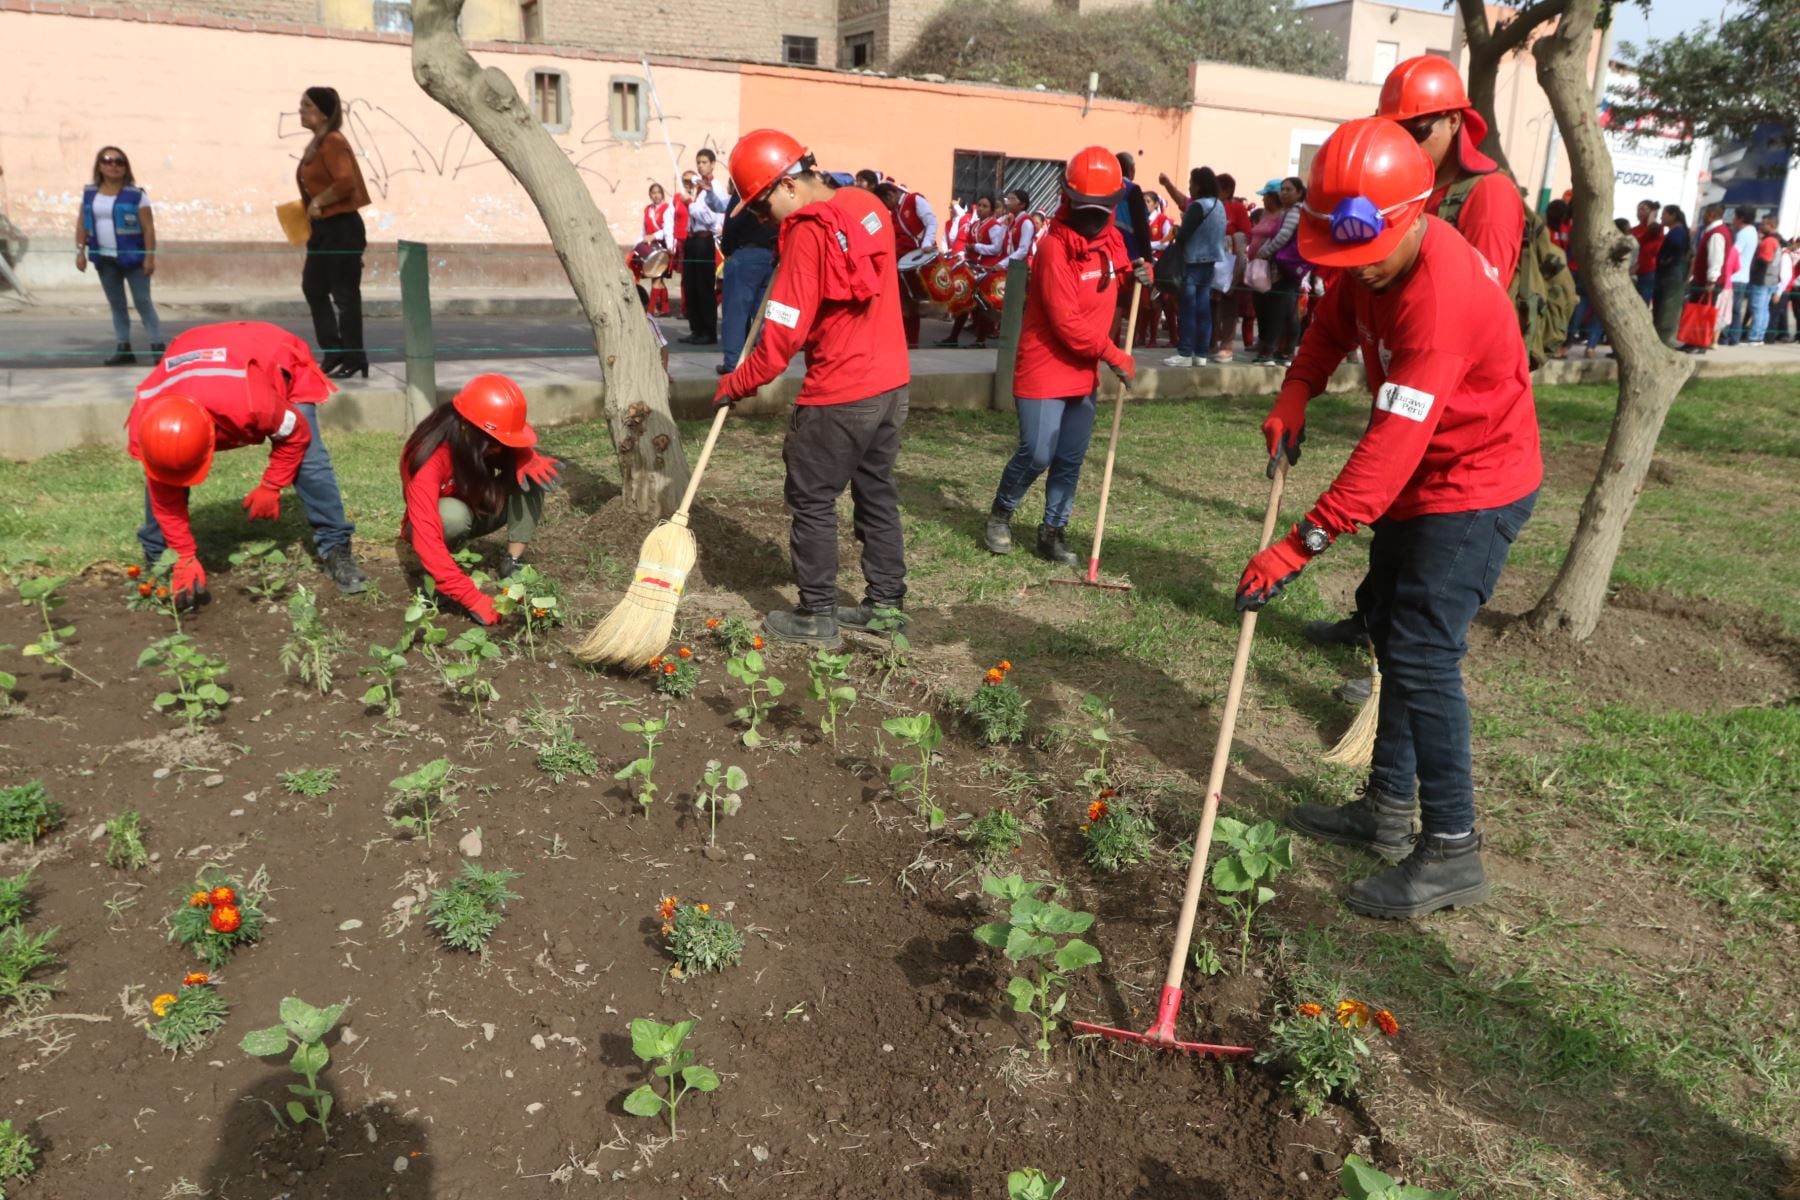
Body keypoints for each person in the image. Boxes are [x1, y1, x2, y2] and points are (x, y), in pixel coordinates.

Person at [1240, 117, 1541, 920]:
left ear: (1414, 216)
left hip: (1474, 484)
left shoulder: (1439, 301)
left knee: (1423, 653)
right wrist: (1296, 390)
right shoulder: (1370, 265)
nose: (1357, 268)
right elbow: (1332, 325)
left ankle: (1451, 852)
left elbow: (1386, 453)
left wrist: (1297, 547)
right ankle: (1385, 810)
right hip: (1422, 479)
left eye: (1369, 253)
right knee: (1388, 628)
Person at [715, 130, 910, 648]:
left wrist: (737, 382)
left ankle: (817, 614)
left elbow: (782, 335)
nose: (764, 220)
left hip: (840, 393)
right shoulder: (868, 204)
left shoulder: (807, 231)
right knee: (876, 490)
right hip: (891, 386)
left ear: (788, 185)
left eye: (762, 207)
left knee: (813, 498)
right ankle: (886, 605)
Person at [127, 321, 371, 602]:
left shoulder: (253, 404)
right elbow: (163, 490)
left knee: (310, 462)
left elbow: (296, 435)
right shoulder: (146, 420)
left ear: (212, 436)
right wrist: (183, 555)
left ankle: (336, 548)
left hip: (272, 352)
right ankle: (160, 557)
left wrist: (271, 485)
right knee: (164, 472)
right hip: (195, 349)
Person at [984, 147, 1145, 566]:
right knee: (1038, 452)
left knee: (1069, 457)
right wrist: (1113, 354)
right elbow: (1066, 323)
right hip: (1044, 366)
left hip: (1082, 370)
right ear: (1067, 198)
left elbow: (1117, 276)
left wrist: (1140, 275)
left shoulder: (1111, 240)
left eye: (1101, 210)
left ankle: (1052, 532)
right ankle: (1001, 513)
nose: (1092, 219)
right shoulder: (1054, 249)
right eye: (1084, 208)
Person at [400, 375, 560, 624]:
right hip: (433, 524)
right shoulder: (427, 458)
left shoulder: (479, 437)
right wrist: (472, 598)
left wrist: (524, 457)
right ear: (466, 427)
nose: (498, 448)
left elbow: (510, 444)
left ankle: (512, 562)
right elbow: (426, 536)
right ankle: (438, 575)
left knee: (531, 475)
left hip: (477, 502)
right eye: (494, 442)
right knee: (452, 515)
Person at [1376, 56, 1524, 288]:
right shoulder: (1403, 187)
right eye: (1395, 132)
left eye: (1418, 131)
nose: (1406, 144)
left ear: (1453, 121)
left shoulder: (1490, 193)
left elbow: (1484, 296)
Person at [295, 87, 372, 379]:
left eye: (307, 105)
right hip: (322, 229)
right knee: (313, 287)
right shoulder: (318, 143)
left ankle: (354, 357)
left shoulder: (333, 141)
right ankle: (333, 351)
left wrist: (319, 201)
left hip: (342, 227)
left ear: (324, 113)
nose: (301, 110)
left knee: (344, 295)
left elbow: (345, 182)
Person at [75, 146, 164, 367]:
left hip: (133, 257)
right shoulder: (90, 193)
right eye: (107, 160)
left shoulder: (137, 195)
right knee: (117, 305)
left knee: (143, 302)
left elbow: (148, 228)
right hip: (104, 258)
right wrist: (80, 251)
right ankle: (124, 348)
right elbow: (82, 223)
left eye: (119, 161)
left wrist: (149, 257)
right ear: (99, 166)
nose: (113, 165)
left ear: (126, 167)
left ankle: (158, 348)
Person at [1163, 167, 1227, 368]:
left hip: (1193, 262)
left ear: (1198, 186)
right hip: (1210, 262)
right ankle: (1200, 354)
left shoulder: (1198, 206)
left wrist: (1177, 231)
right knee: (1203, 309)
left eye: (1191, 183)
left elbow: (1184, 234)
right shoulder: (1219, 205)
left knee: (1188, 309)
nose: (1189, 187)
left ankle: (1184, 352)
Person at [718, 187, 778, 373]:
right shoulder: (774, 190)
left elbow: (731, 223)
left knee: (736, 313)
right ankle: (764, 364)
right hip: (771, 254)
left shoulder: (744, 191)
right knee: (764, 315)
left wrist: (728, 251)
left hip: (746, 253)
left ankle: (733, 364)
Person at [1252, 176, 1309, 365]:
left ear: (1299, 193)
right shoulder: (1289, 211)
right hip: (1286, 267)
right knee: (1288, 311)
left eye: (1288, 189)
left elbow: (1283, 236)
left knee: (1279, 310)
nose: (1283, 193)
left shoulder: (1295, 211)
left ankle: (1269, 352)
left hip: (1287, 266)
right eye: (1282, 189)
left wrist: (1264, 252)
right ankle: (1286, 352)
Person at [875, 181, 938, 348]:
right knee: (902, 303)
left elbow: (931, 222)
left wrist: (926, 243)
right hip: (901, 263)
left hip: (916, 260)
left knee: (912, 303)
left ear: (890, 195)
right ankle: (903, 339)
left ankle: (911, 341)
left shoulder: (914, 200)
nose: (886, 208)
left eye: (885, 203)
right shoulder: (894, 212)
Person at [938, 194, 1002, 347]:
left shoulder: (994, 226)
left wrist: (976, 247)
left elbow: (997, 248)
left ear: (992, 210)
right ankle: (954, 337)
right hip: (973, 267)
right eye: (979, 205)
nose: (980, 208)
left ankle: (980, 340)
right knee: (964, 300)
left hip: (986, 269)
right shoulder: (974, 225)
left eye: (985, 206)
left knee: (982, 305)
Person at [681, 153, 725, 345]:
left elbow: (711, 218)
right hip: (691, 240)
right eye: (698, 162)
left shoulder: (715, 188)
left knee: (704, 287)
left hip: (704, 240)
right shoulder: (696, 188)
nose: (700, 166)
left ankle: (708, 331)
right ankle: (696, 328)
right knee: (690, 285)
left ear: (713, 164)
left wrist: (690, 204)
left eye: (704, 162)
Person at [1684, 203, 1734, 352]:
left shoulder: (1717, 234)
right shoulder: (1713, 231)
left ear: (1712, 215)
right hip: (1704, 279)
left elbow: (1716, 259)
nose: (1703, 217)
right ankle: (1693, 341)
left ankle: (1698, 343)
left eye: (1705, 214)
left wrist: (1711, 280)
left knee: (1702, 312)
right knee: (1698, 311)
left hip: (1707, 282)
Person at [1652, 205, 1692, 346]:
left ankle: (1665, 339)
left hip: (1671, 273)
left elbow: (1676, 247)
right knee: (1661, 306)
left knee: (1667, 309)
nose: (1661, 217)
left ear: (1673, 215)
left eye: (1664, 214)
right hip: (1667, 273)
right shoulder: (1675, 231)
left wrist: (1666, 259)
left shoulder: (1678, 232)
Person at [639, 182, 678, 316]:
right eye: (653, 193)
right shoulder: (647, 209)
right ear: (650, 195)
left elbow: (668, 229)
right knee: (656, 278)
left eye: (658, 193)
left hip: (663, 246)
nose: (656, 195)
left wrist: (654, 236)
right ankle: (665, 308)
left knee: (656, 277)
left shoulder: (667, 208)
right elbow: (644, 230)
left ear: (662, 194)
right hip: (650, 247)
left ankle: (651, 309)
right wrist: (640, 242)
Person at [1723, 205, 1759, 345]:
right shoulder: (1753, 232)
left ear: (1741, 218)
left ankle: (1725, 336)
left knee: (1728, 309)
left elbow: (1734, 253)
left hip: (1735, 276)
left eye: (1735, 217)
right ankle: (1734, 337)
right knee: (1736, 310)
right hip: (1743, 276)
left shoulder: (1743, 234)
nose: (1733, 219)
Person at [1629, 198, 1662, 307]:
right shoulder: (1633, 230)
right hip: (1631, 270)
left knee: (1642, 304)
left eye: (1643, 209)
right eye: (1638, 209)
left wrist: (1653, 213)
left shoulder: (1656, 229)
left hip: (1647, 271)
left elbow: (1651, 250)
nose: (1639, 212)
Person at [1001, 189, 1039, 265]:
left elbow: (1023, 250)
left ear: (1022, 205)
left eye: (1012, 199)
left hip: (1020, 265)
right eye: (1007, 199)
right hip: (1012, 262)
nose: (1008, 202)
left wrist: (1003, 263)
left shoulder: (1026, 222)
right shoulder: (1013, 221)